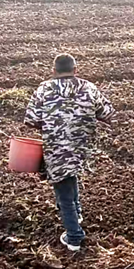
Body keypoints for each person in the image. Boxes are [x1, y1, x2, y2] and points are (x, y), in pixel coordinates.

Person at [25, 54, 115, 252]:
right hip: (82, 147)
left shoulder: (43, 89)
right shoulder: (88, 87)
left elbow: (31, 119)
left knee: (63, 190)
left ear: (53, 71)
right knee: (70, 175)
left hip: (57, 147)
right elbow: (108, 113)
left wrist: (50, 124)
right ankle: (78, 214)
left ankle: (74, 237)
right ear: (75, 70)